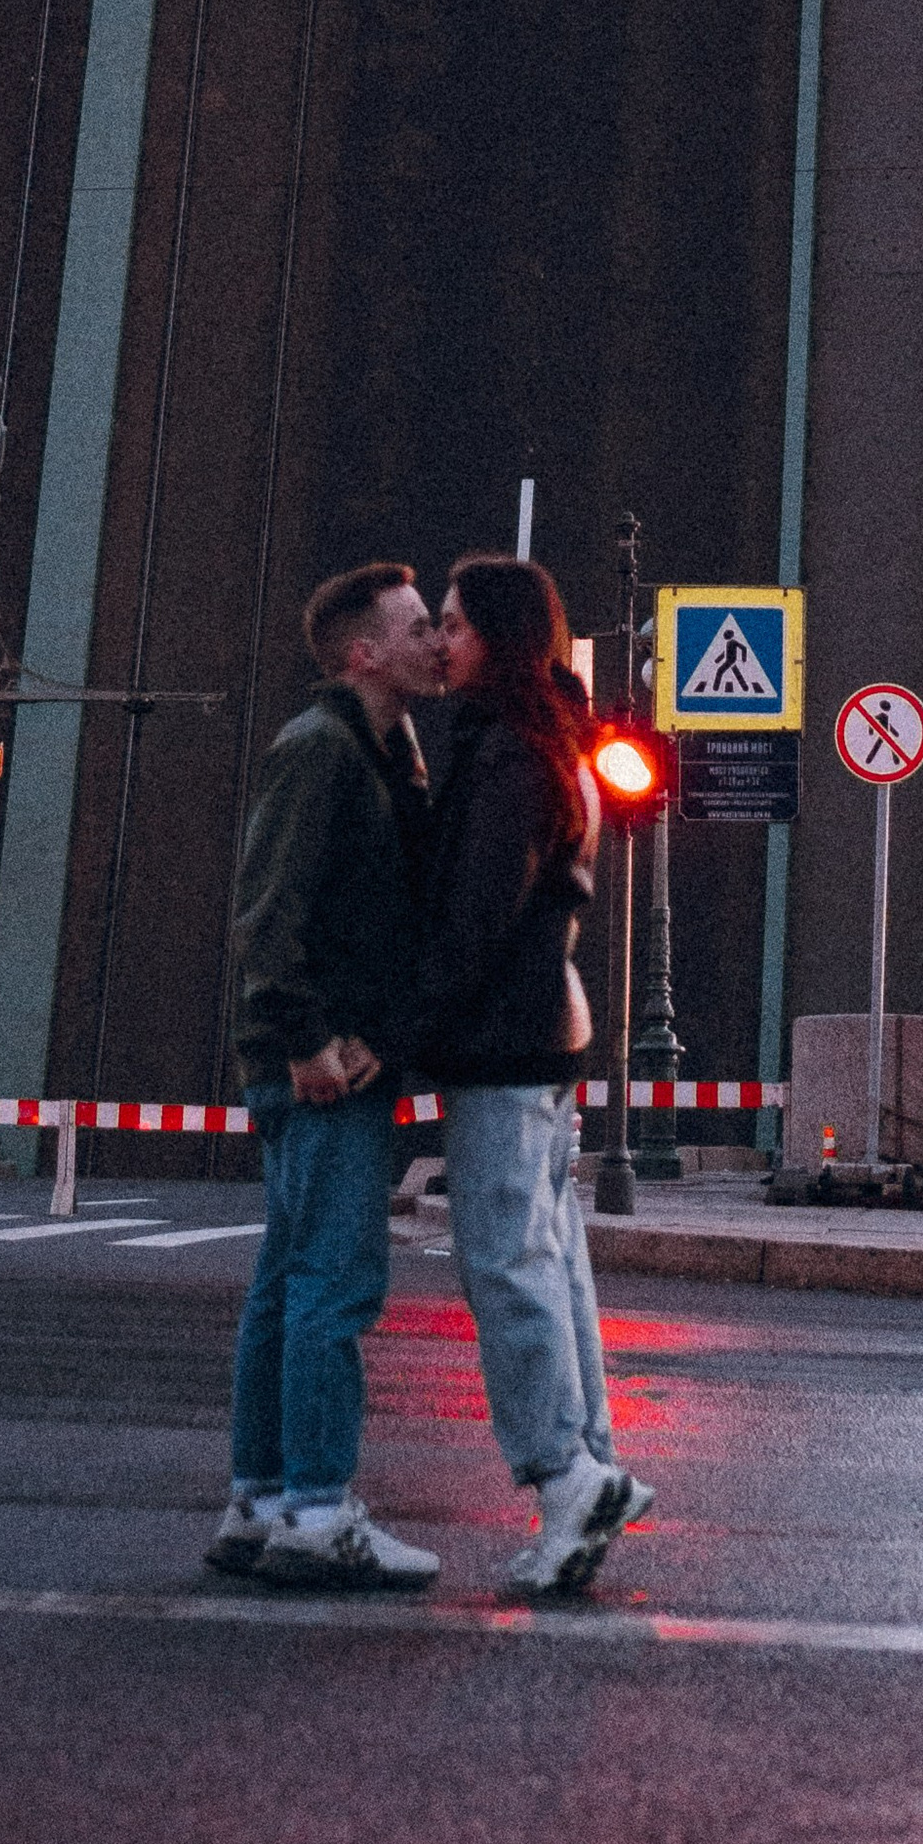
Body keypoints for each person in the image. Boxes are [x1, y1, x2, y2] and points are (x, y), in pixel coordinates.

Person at [421, 552, 653, 1598]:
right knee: (551, 1263)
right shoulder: (546, 741)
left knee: (505, 1266)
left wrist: (407, 1028)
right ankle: (590, 1467)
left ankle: (564, 1475)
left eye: (455, 625)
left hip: (505, 1041)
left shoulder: (508, 755)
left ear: (499, 639)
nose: (441, 643)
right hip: (541, 1033)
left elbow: (475, 917)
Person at [211, 562, 445, 1589]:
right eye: (417, 626)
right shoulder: (320, 750)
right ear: (364, 652)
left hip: (330, 1057)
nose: (436, 640)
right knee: (334, 1286)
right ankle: (317, 1512)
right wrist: (305, 1041)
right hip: (320, 1069)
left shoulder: (381, 753)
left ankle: (260, 1502)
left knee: (285, 1286)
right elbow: (268, 912)